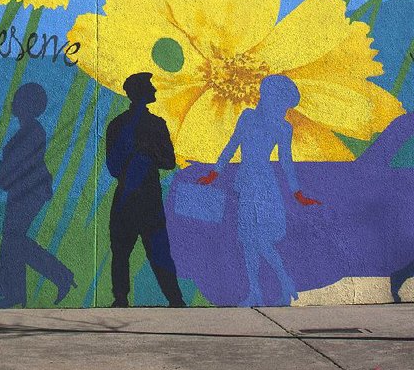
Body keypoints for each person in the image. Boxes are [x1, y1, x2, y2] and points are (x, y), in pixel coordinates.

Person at [197, 74, 321, 306]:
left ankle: (284, 281)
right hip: (246, 183)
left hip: (265, 185)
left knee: (259, 239)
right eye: (281, 103)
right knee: (247, 240)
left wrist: (297, 193)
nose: (283, 110)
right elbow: (232, 145)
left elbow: (286, 162)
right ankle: (256, 292)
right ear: (269, 97)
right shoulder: (248, 117)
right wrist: (215, 172)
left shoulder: (283, 128)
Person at [0, 82, 75, 308]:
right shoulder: (28, 130)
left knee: (13, 240)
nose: (14, 103)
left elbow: (23, 164)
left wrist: (6, 171)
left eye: (19, 99)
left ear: (29, 105)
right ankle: (18, 293)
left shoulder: (33, 131)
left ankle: (59, 276)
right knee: (13, 241)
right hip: (22, 191)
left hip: (28, 192)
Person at [106, 71, 184, 307]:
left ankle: (174, 299)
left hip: (137, 198)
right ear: (139, 92)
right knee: (125, 252)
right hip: (138, 199)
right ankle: (124, 299)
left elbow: (169, 161)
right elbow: (113, 165)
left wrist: (147, 151)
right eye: (149, 86)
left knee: (148, 251)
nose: (155, 90)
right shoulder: (123, 125)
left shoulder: (143, 124)